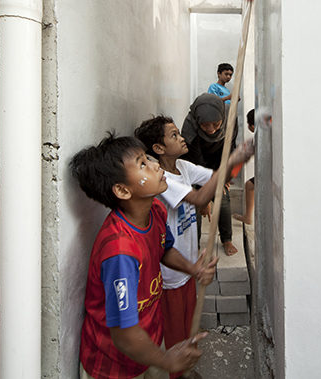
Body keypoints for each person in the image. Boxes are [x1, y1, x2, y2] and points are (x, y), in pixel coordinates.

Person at [69, 133, 219, 379]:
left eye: (148, 158)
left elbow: (165, 249)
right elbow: (125, 336)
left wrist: (194, 270)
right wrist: (167, 360)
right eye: (142, 164)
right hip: (114, 366)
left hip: (148, 346)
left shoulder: (155, 209)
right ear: (122, 190)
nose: (155, 165)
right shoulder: (120, 253)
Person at [134, 116, 253, 379]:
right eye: (174, 135)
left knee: (190, 325)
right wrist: (232, 160)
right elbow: (200, 195)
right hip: (171, 275)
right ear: (158, 149)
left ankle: (186, 370)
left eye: (179, 133)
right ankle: (178, 373)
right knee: (176, 333)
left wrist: (237, 162)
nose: (182, 138)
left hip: (189, 267)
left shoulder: (183, 167)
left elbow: (217, 179)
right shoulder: (162, 179)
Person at [181, 93, 239, 256]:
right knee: (197, 203)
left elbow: (231, 145)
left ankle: (227, 239)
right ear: (198, 121)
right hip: (195, 163)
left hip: (219, 160)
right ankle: (196, 244)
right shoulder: (189, 126)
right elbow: (195, 160)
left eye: (216, 123)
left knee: (223, 198)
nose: (212, 129)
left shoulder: (231, 116)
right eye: (205, 125)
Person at [233, 109, 255, 225]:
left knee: (249, 185)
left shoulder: (256, 139)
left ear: (252, 125)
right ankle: (248, 216)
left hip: (270, 173)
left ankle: (248, 216)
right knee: (249, 185)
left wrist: (232, 175)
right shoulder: (261, 136)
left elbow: (240, 160)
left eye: (248, 124)